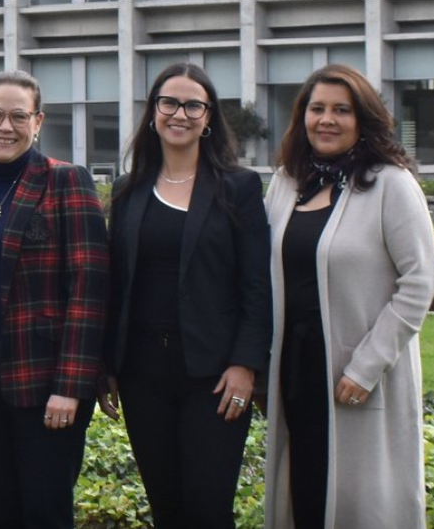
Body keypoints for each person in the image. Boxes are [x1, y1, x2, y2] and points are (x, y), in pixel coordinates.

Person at [263, 64, 434, 529]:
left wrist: (367, 365)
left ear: (363, 119)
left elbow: (421, 281)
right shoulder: (286, 182)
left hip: (355, 375)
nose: (327, 119)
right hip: (296, 370)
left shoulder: (391, 184)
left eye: (342, 110)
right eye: (317, 108)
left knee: (364, 501)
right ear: (302, 117)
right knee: (303, 491)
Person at [97, 62, 271, 529]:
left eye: (193, 104)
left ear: (209, 116)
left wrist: (246, 364)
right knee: (168, 509)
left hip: (213, 376)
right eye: (169, 102)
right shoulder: (128, 190)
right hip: (142, 374)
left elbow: (257, 285)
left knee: (207, 508)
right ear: (153, 112)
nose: (180, 113)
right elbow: (116, 283)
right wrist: (108, 366)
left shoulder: (239, 187)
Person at [0, 69, 109, 529]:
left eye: (18, 116)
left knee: (45, 512)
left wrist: (71, 388)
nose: (5, 127)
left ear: (38, 122)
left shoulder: (67, 183)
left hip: (45, 389)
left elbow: (89, 291)